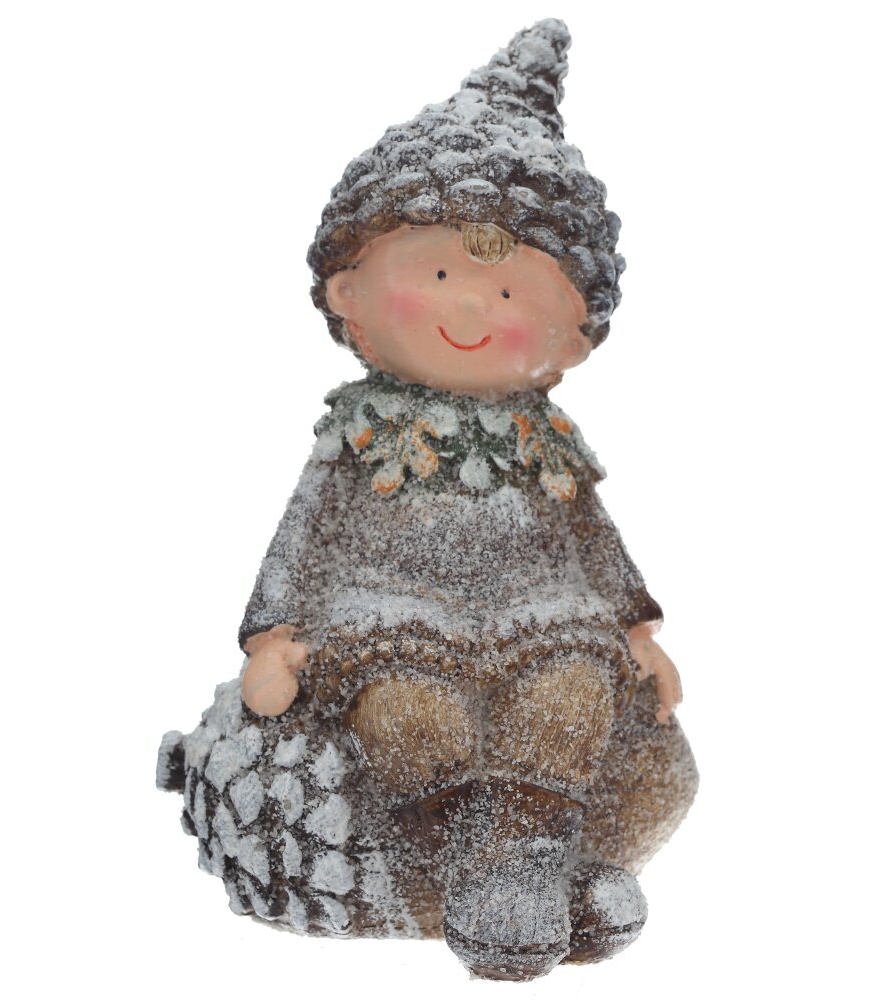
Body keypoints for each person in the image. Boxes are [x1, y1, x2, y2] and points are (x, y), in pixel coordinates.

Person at [158, 18, 698, 982]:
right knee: (411, 714)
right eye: (441, 273)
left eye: (510, 294)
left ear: (572, 339)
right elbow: (303, 537)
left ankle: (536, 864)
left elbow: (592, 535)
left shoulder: (543, 442)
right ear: (349, 293)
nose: (470, 308)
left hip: (544, 617)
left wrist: (637, 629)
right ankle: (489, 876)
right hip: (393, 623)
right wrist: (271, 639)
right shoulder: (360, 438)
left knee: (570, 698)